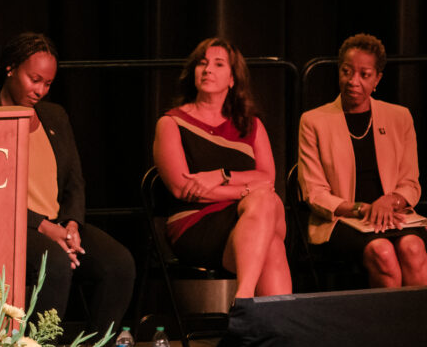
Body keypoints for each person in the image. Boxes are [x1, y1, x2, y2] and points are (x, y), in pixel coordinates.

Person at [0, 33, 135, 347]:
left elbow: (74, 181)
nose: (40, 90)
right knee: (54, 262)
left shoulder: (54, 116)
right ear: (10, 69)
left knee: (118, 264)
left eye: (48, 83)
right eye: (34, 79)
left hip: (57, 222)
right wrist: (43, 226)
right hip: (13, 225)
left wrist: (71, 225)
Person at [152, 37, 291, 299]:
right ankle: (249, 305)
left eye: (218, 64)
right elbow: (184, 189)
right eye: (202, 64)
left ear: (232, 78)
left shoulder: (251, 125)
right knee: (266, 213)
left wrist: (220, 176)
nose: (207, 70)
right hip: (194, 225)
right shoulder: (172, 123)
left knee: (269, 232)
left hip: (248, 221)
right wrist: (247, 191)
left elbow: (268, 179)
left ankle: (249, 308)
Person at [298, 34, 427, 288]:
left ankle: (417, 327)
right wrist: (363, 209)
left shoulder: (399, 117)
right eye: (346, 71)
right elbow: (314, 193)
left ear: (377, 79)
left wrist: (388, 202)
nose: (353, 81)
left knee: (413, 248)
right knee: (383, 253)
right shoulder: (314, 121)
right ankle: (387, 328)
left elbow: (411, 183)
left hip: (394, 215)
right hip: (342, 220)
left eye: (364, 74)